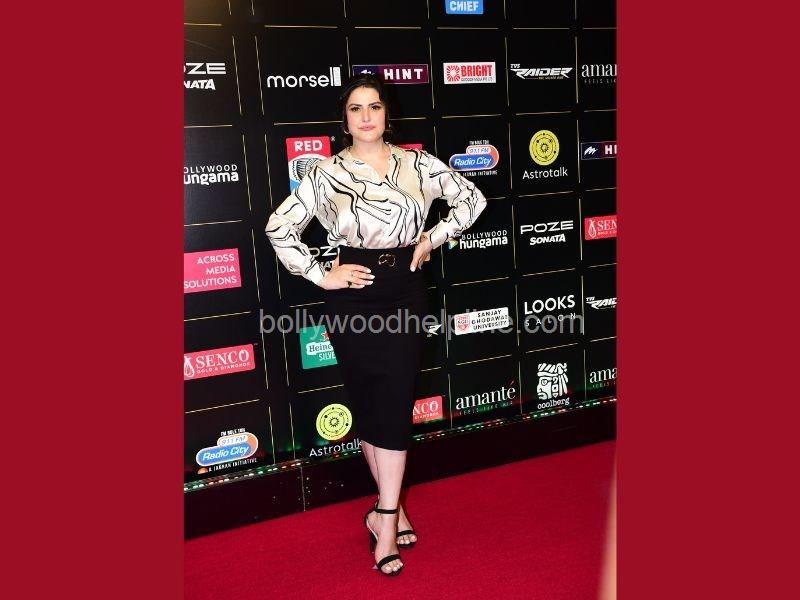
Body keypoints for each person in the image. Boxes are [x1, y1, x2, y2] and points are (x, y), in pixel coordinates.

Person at [265, 73, 487, 576]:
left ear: (388, 114)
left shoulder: (417, 163)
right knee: (369, 402)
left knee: (394, 403)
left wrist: (432, 238)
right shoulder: (326, 172)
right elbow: (279, 228)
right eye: (355, 108)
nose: (366, 117)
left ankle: (383, 517)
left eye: (375, 106)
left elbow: (471, 199)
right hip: (352, 295)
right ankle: (392, 510)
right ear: (344, 120)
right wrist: (322, 273)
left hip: (404, 291)